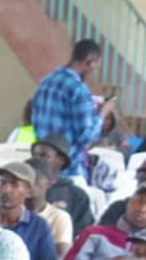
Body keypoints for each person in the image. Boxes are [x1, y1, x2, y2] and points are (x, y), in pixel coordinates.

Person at [30, 38, 108, 174]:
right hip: (67, 166)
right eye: (95, 66)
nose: (94, 71)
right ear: (90, 62)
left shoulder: (46, 81)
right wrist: (102, 114)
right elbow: (86, 136)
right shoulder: (78, 89)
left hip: (41, 163)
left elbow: (34, 119)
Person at [0, 160, 60, 260]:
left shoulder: (39, 227)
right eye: (3, 183)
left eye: (14, 185)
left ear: (28, 192)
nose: (6, 190)